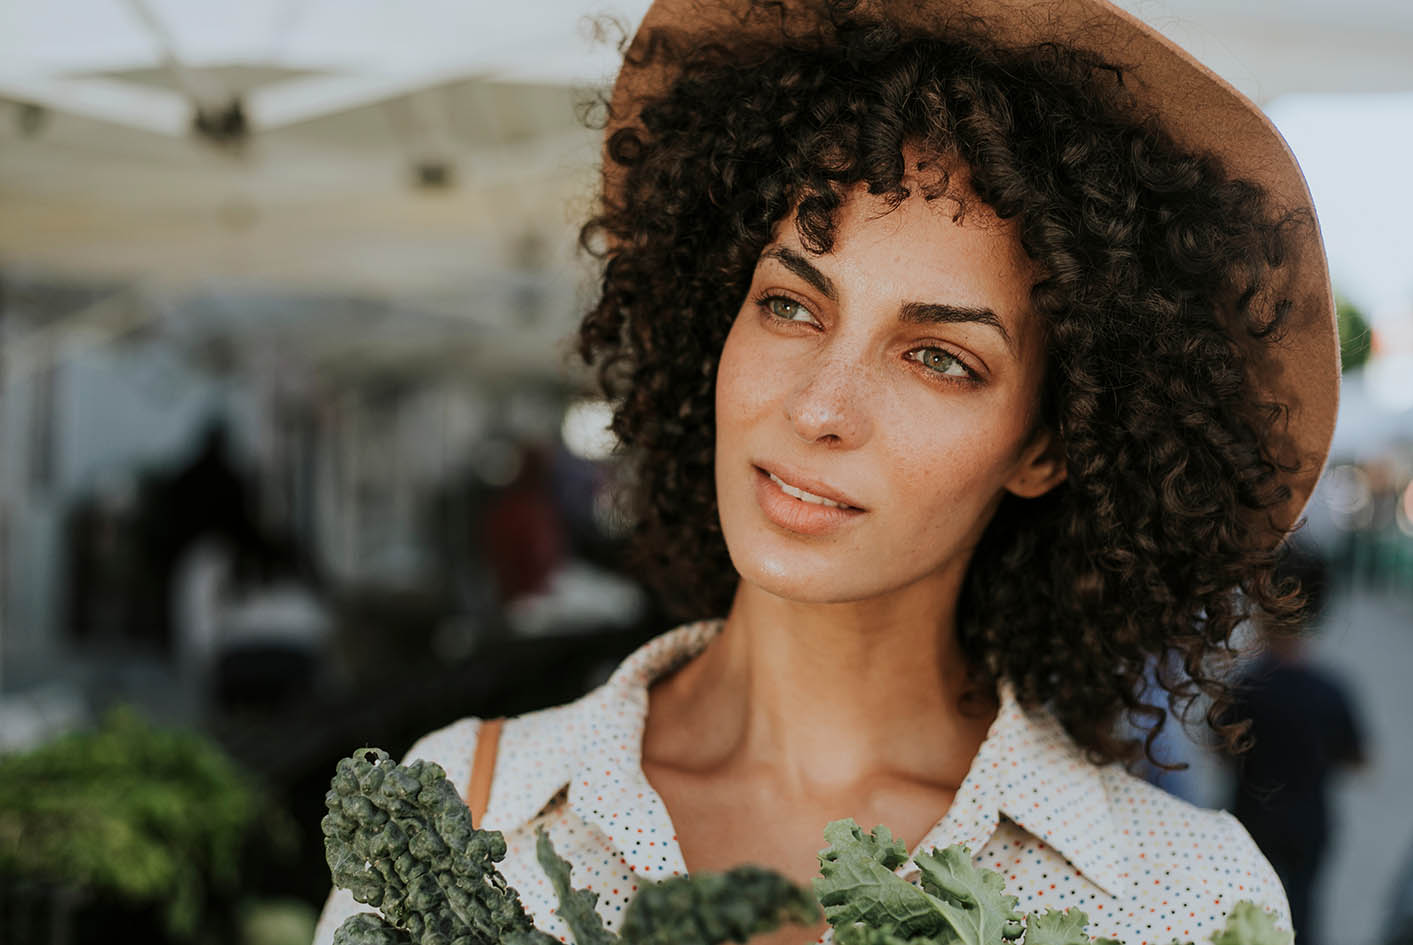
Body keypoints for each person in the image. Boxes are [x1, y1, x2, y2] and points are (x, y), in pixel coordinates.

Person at [313, 1, 1340, 942]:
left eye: (939, 358)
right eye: (790, 305)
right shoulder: (462, 804)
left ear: (1044, 445)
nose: (817, 407)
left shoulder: (1188, 900)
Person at [1222, 544, 1368, 945]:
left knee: (1248, 922)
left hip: (1251, 822)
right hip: (1309, 822)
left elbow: (1218, 753)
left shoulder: (1242, 688)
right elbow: (1360, 761)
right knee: (1303, 913)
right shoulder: (1331, 691)